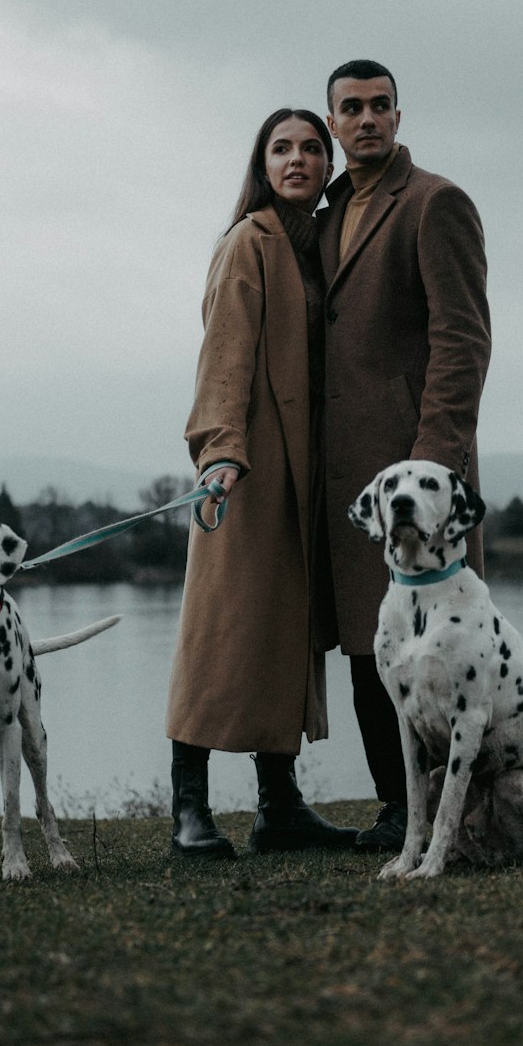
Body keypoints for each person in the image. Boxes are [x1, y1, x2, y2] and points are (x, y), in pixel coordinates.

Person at [166, 108, 358, 858]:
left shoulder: (321, 249)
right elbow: (223, 358)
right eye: (282, 148)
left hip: (307, 472)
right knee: (220, 635)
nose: (298, 159)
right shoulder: (248, 242)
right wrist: (219, 451)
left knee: (285, 637)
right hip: (245, 471)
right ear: (263, 163)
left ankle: (280, 809)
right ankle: (190, 809)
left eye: (313, 148)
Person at [318, 60, 491, 852]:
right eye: (350, 108)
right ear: (332, 122)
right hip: (348, 479)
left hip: (418, 475)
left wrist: (435, 469)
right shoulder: (324, 216)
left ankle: (475, 814)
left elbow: (463, 338)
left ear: (397, 113)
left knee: (448, 647)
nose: (366, 120)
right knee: (369, 644)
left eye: (379, 106)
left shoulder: (435, 202)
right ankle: (400, 809)